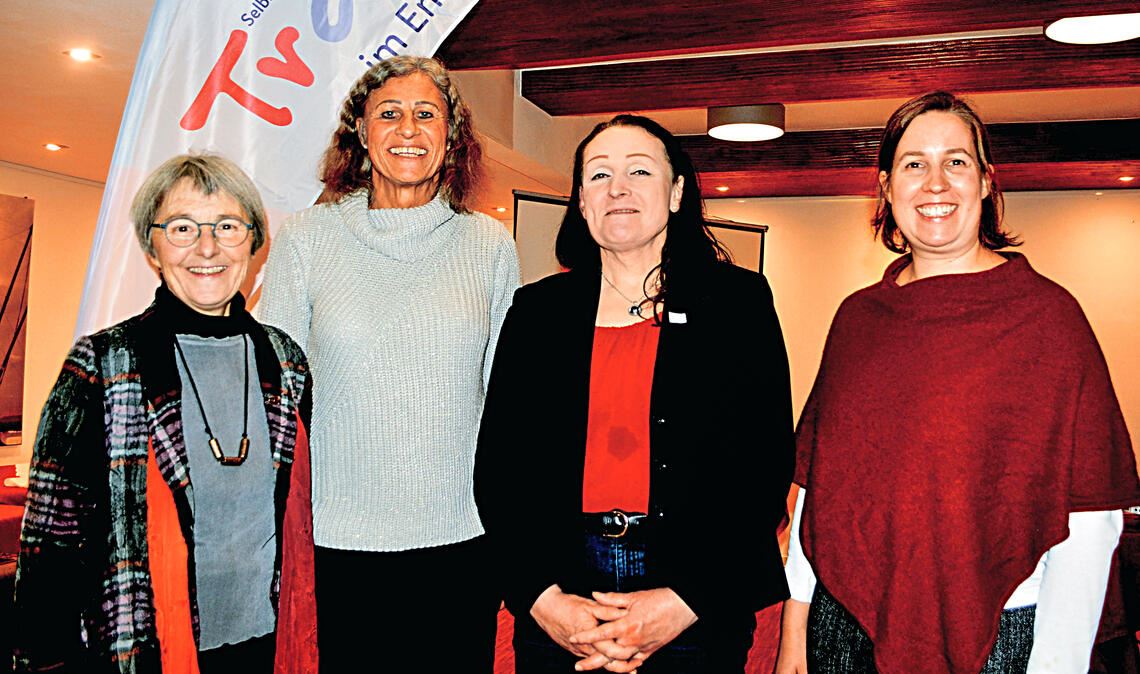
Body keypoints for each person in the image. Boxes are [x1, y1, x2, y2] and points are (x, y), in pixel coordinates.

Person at [775, 91, 1140, 674]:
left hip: (1000, 630)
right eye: (914, 163)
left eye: (957, 161)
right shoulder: (858, 320)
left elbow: (1090, 516)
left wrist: (1057, 664)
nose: (935, 183)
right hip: (843, 624)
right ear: (886, 187)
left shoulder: (1048, 319)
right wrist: (794, 628)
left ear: (987, 181)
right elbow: (820, 493)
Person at [475, 114, 794, 673]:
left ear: (675, 193)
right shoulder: (535, 313)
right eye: (598, 176)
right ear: (579, 201)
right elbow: (500, 472)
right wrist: (543, 601)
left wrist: (684, 601)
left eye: (638, 171)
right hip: (562, 590)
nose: (616, 188)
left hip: (694, 596)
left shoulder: (737, 302)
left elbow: (764, 470)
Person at [257, 56, 519, 671]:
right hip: (338, 541)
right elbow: (276, 398)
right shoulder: (305, 239)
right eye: (389, 114)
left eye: (426, 114)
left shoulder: (489, 247)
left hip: (461, 538)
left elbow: (506, 403)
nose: (408, 129)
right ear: (361, 132)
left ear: (451, 135)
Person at [13, 154, 316, 673]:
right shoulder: (103, 364)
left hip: (272, 641)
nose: (207, 247)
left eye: (227, 225)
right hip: (147, 645)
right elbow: (52, 533)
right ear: (152, 245)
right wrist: (43, 655)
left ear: (253, 240)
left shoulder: (285, 361)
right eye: (182, 227)